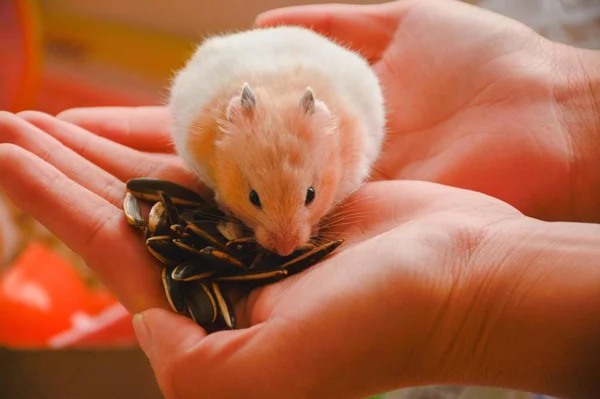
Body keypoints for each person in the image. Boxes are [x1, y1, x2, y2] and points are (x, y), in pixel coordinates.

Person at [0, 0, 598, 398]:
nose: (287, 237)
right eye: (255, 198)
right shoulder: (213, 121)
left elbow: (354, 127)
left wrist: (467, 299)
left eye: (311, 197)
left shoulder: (343, 118)